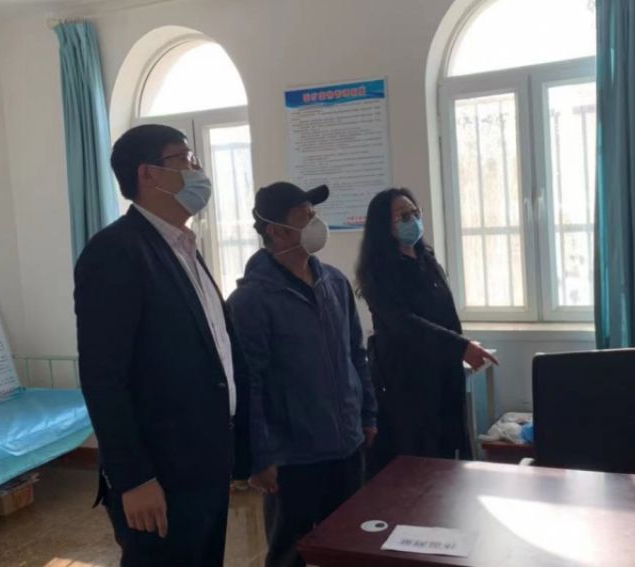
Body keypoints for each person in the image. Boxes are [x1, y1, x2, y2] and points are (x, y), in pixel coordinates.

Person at [74, 124, 250, 567]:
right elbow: (103, 377)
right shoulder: (115, 252)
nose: (197, 170)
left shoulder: (181, 245)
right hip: (159, 476)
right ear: (148, 174)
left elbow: (214, 349)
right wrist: (133, 478)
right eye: (186, 159)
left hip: (205, 464)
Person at [227, 182, 377, 567]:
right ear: (276, 231)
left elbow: (356, 354)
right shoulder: (250, 301)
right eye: (305, 216)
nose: (316, 223)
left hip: (346, 446)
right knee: (290, 554)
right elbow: (249, 385)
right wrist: (259, 458)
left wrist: (367, 414)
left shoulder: (335, 283)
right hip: (293, 458)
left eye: (315, 214)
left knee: (347, 548)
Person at [355, 188, 498, 475]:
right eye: (403, 216)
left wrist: (460, 345)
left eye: (415, 212)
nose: (413, 220)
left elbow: (446, 317)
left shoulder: (427, 260)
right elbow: (405, 323)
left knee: (448, 458)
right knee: (417, 464)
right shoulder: (378, 273)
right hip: (406, 383)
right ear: (384, 225)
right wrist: (460, 346)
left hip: (443, 375)